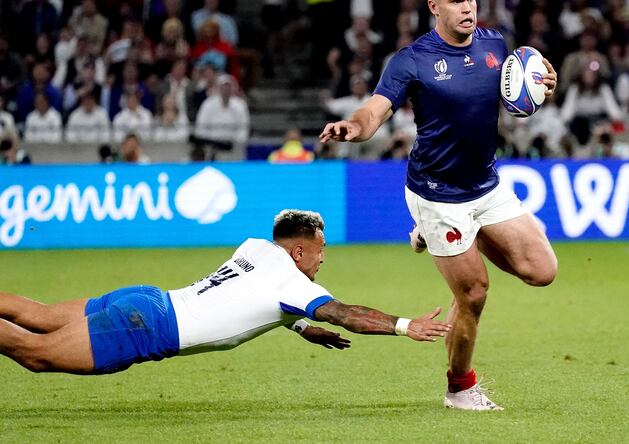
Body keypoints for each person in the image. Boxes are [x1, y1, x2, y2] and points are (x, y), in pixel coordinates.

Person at [320, 0, 558, 411]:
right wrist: (353, 127)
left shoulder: (496, 45)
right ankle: (460, 388)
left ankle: (431, 239)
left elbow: (523, 94)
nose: (468, 8)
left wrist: (547, 83)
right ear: (434, 6)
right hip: (436, 194)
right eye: (456, 1)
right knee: (473, 293)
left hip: (485, 185)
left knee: (542, 272)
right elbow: (375, 109)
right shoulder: (411, 60)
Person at [0, 210, 450, 375]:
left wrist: (299, 325)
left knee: (38, 316)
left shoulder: (255, 247)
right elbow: (344, 313)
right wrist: (405, 326)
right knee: (35, 353)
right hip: (150, 326)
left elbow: (252, 294)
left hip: (148, 300)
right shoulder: (292, 281)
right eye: (319, 251)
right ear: (297, 250)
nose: (322, 260)